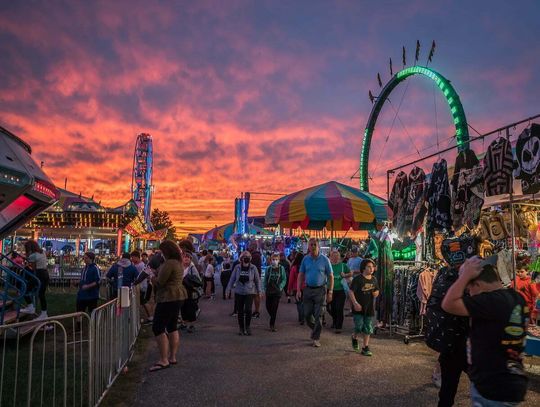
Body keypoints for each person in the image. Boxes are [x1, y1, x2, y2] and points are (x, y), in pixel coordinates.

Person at [443, 256, 529, 406]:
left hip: (493, 386)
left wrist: (464, 277)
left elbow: (448, 304)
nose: (469, 294)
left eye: (469, 289)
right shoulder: (517, 298)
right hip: (513, 380)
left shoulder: (489, 301)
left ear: (477, 284)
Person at [149, 240, 187, 372]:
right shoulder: (179, 262)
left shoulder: (169, 263)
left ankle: (163, 359)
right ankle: (172, 356)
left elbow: (160, 283)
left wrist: (151, 277)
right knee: (172, 326)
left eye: (161, 251)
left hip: (168, 297)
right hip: (178, 295)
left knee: (158, 327)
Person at [296, 239, 334, 347]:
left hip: (320, 290)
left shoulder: (325, 259)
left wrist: (330, 291)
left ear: (318, 246)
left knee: (319, 315)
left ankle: (316, 338)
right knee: (307, 314)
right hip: (308, 290)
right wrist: (298, 290)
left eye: (315, 245)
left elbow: (331, 276)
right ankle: (315, 330)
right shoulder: (305, 259)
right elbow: (300, 275)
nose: (313, 246)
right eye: (311, 245)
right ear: (308, 246)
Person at [347, 258, 379, 356]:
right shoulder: (358, 279)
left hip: (369, 308)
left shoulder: (374, 279)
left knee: (368, 328)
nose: (371, 269)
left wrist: (375, 293)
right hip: (358, 308)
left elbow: (377, 291)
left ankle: (365, 347)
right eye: (369, 267)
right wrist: (355, 303)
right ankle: (354, 337)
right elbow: (351, 292)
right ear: (363, 268)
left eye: (372, 267)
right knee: (359, 327)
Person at [226, 251, 262, 336]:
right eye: (244, 256)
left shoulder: (253, 268)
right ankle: (241, 328)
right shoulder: (237, 267)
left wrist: (260, 291)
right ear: (241, 258)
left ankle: (248, 327)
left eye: (248, 256)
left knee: (248, 310)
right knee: (240, 311)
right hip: (239, 292)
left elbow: (257, 280)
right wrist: (228, 290)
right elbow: (232, 278)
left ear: (250, 258)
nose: (246, 258)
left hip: (249, 292)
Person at [20, 240, 49, 319]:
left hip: (39, 274)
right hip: (45, 274)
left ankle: (30, 307)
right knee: (41, 294)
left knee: (24, 289)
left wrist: (27, 259)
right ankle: (44, 313)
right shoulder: (42, 252)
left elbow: (33, 268)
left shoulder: (33, 255)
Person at [328, 249, 352, 333]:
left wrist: (345, 275)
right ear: (330, 257)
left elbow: (350, 273)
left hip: (341, 290)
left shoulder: (343, 265)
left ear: (339, 257)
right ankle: (334, 321)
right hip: (330, 290)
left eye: (337, 256)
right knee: (331, 308)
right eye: (333, 256)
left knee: (339, 308)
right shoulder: (328, 265)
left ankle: (339, 326)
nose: (335, 258)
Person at [263, 253, 287, 332]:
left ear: (279, 260)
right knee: (268, 306)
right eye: (273, 259)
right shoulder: (268, 269)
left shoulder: (281, 269)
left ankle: (272, 324)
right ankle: (272, 317)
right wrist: (264, 288)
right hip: (269, 290)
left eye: (276, 260)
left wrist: (280, 287)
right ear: (270, 260)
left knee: (274, 307)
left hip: (277, 291)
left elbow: (284, 279)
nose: (274, 261)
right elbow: (265, 279)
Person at [181, 250, 202, 333]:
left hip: (190, 291)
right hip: (182, 290)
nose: (186, 259)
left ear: (191, 259)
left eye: (188, 257)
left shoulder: (192, 268)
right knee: (183, 307)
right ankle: (184, 323)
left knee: (191, 308)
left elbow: (198, 280)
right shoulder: (180, 267)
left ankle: (191, 325)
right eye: (184, 257)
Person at [513, 260, 539, 324]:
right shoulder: (515, 280)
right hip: (517, 305)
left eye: (522, 272)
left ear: (527, 271)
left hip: (527, 306)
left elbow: (535, 294)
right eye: (518, 272)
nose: (520, 273)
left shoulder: (530, 281)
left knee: (526, 322)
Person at [288, 252, 305, 324]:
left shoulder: (294, 268)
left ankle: (301, 318)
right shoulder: (305, 267)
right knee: (304, 303)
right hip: (305, 287)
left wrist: (289, 289)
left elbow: (291, 279)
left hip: (296, 288)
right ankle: (303, 317)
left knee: (299, 303)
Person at [249, 242, 263, 318]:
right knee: (254, 295)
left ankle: (257, 311)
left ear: (253, 246)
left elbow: (253, 267)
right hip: (255, 277)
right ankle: (255, 311)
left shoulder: (255, 255)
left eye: (250, 245)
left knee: (256, 295)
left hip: (255, 277)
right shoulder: (255, 255)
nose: (248, 246)